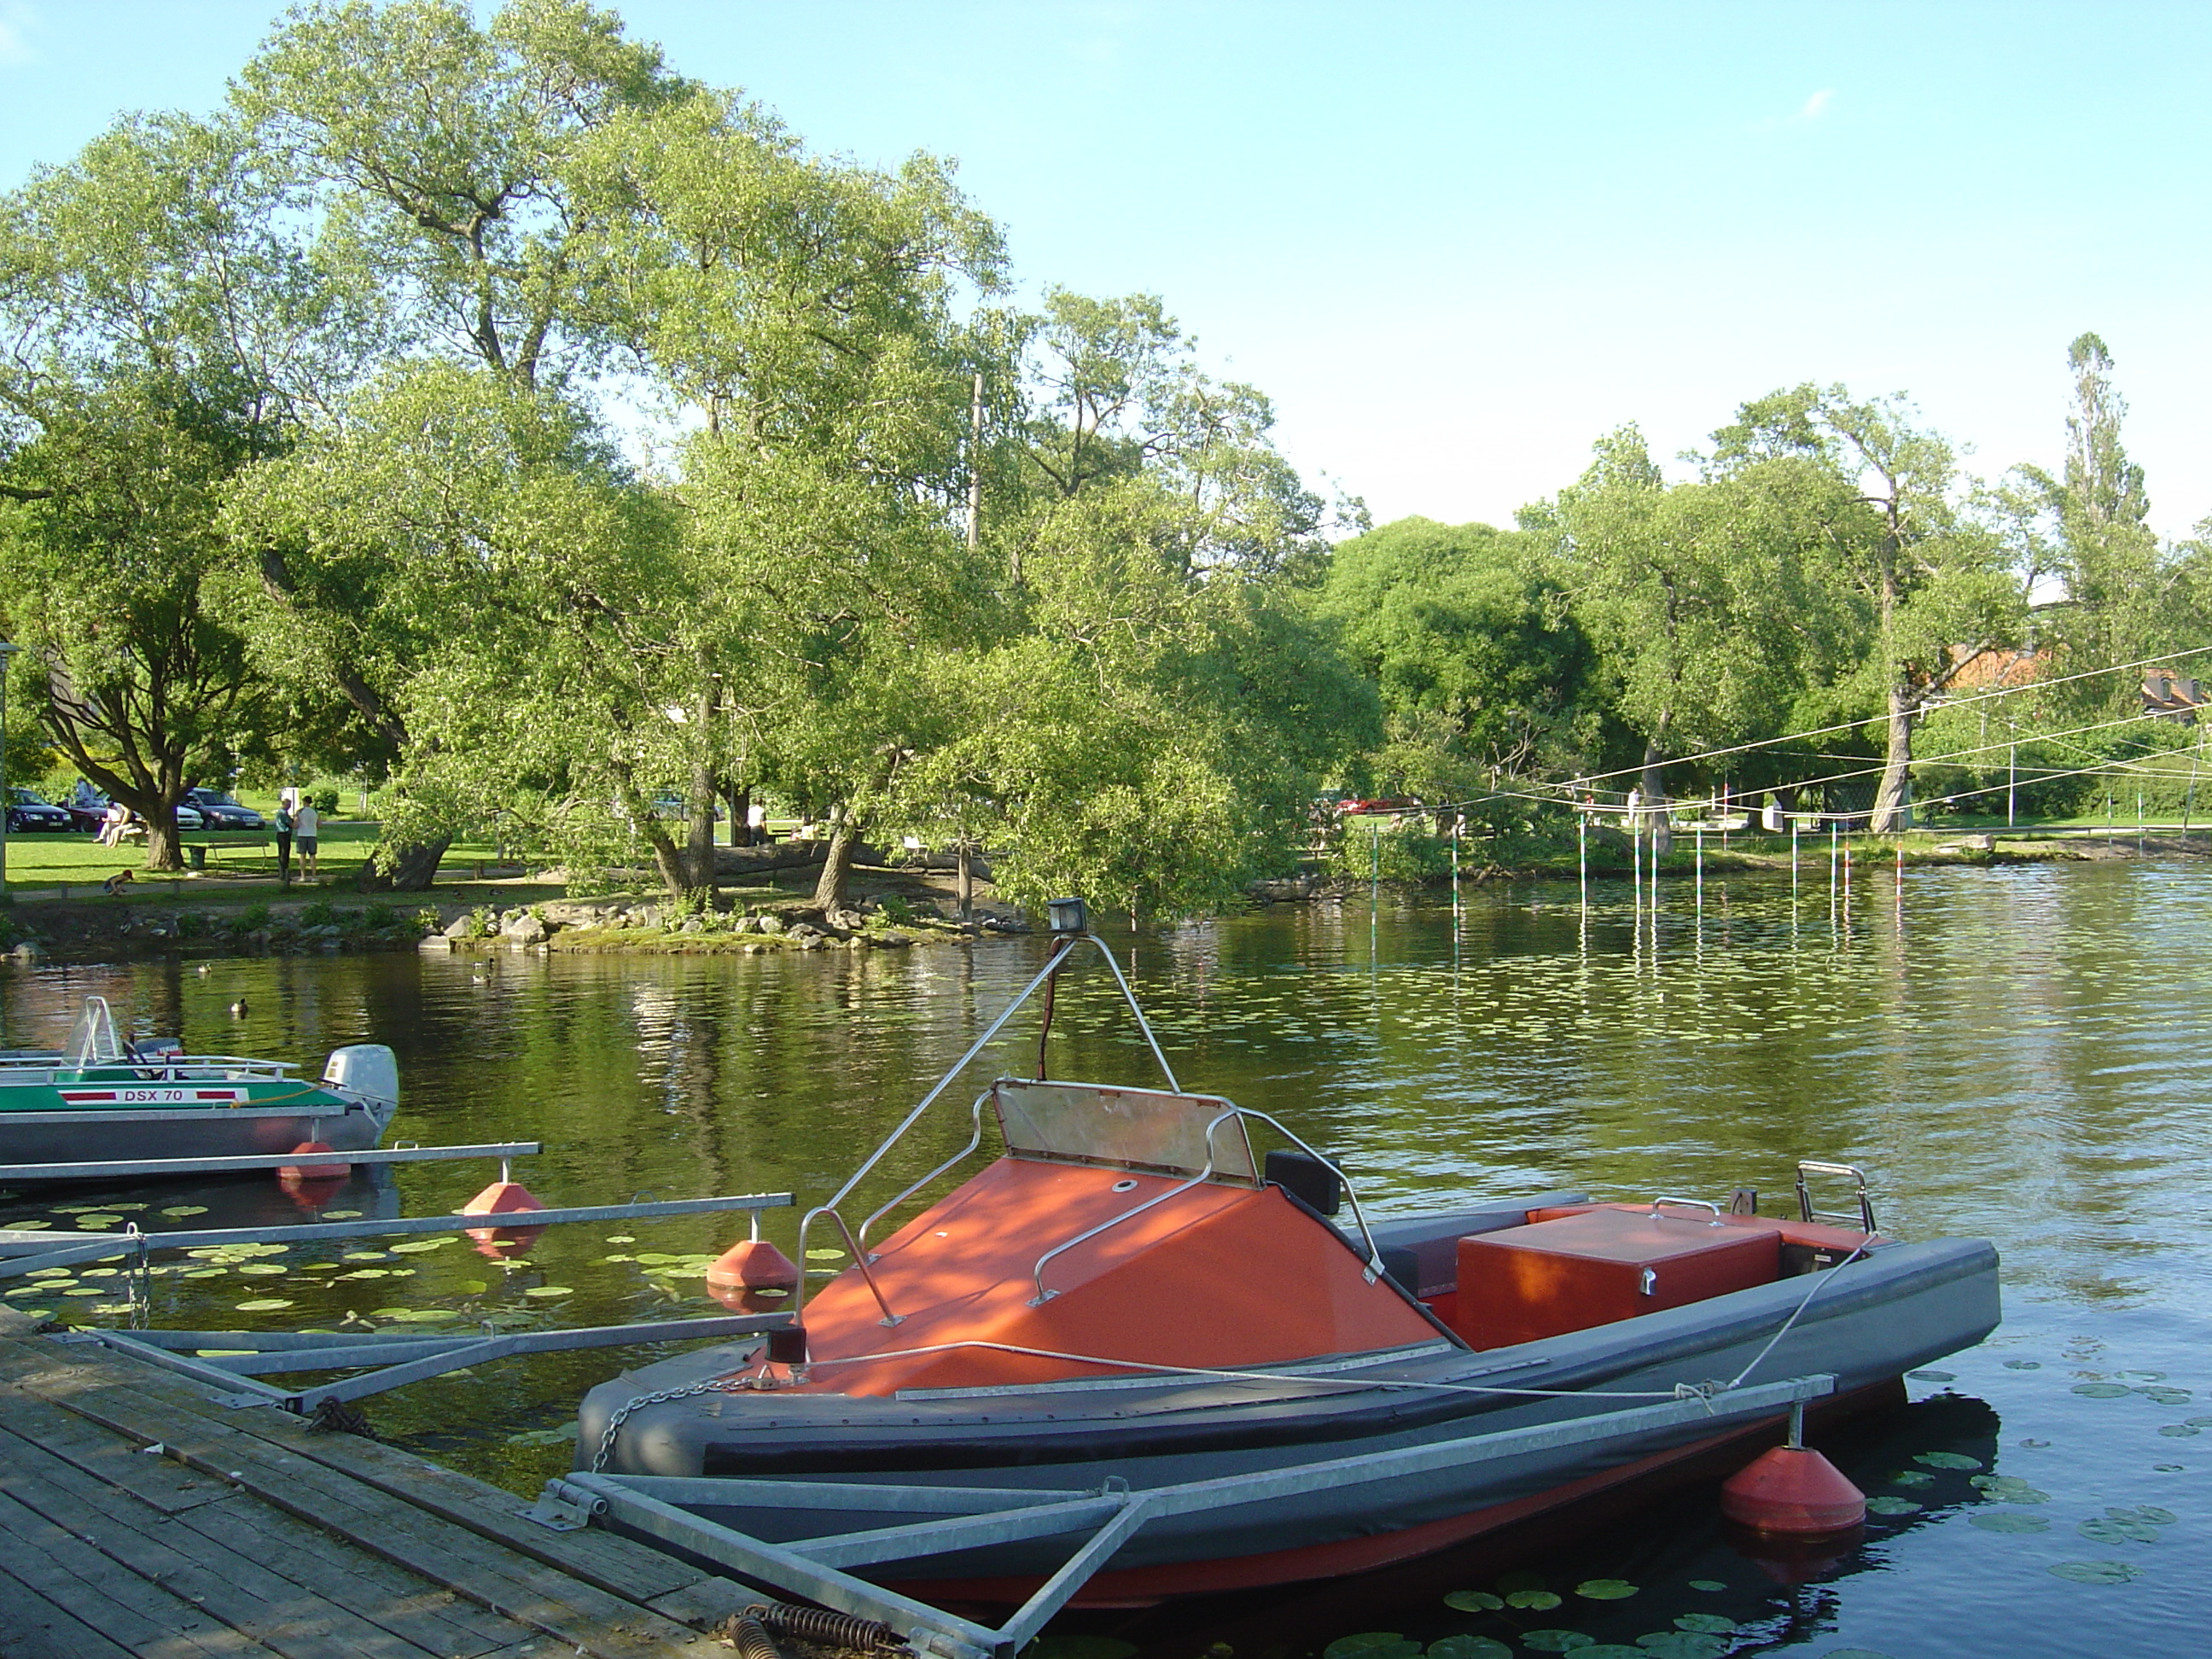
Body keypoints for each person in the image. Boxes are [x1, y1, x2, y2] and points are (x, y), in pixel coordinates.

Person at [294, 797, 320, 880]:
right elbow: (319, 825)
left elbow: (296, 825)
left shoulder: (299, 812)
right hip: (312, 834)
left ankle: (303, 876)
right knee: (312, 856)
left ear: (304, 802)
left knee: (302, 856)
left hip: (302, 834)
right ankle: (314, 876)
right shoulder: (315, 812)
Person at [274, 801, 294, 887]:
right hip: (284, 834)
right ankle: (283, 872)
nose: (289, 807)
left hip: (281, 834)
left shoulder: (282, 813)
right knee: (284, 853)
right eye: (288, 805)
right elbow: (291, 824)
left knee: (283, 853)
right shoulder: (282, 814)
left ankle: (283, 872)